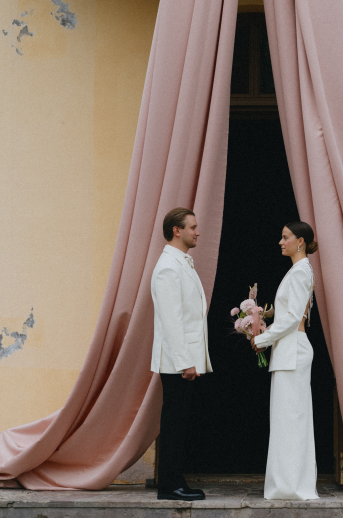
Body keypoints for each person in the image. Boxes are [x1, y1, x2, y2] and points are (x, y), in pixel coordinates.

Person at [253, 221, 319, 501]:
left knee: (290, 421)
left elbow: (293, 319)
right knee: (287, 421)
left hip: (293, 352)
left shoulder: (301, 272)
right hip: (289, 350)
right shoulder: (298, 271)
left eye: (285, 237)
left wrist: (261, 339)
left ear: (300, 241)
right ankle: (288, 484)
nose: (281, 242)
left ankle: (292, 486)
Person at [151, 208, 212, 501]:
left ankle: (176, 480)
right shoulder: (168, 267)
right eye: (193, 227)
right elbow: (171, 320)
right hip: (177, 363)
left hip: (183, 361)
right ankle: (169, 486)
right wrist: (184, 361)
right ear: (177, 230)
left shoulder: (181, 264)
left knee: (179, 422)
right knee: (174, 423)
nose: (197, 232)